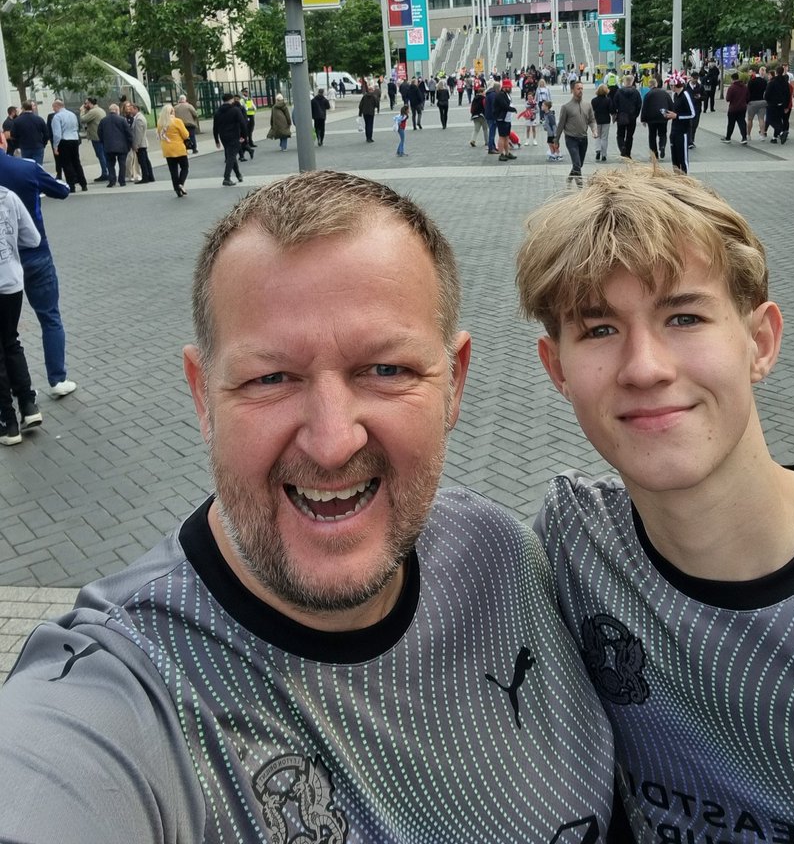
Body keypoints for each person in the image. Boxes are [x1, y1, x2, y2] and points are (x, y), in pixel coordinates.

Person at [0, 171, 616, 841]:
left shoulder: (508, 557)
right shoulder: (127, 687)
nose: (330, 442)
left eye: (387, 370)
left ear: (455, 382)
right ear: (203, 396)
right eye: (271, 378)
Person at [518, 164, 794, 843]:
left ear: (761, 342)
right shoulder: (572, 544)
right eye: (600, 329)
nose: (645, 367)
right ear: (557, 369)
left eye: (685, 317)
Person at [0, 144, 77, 398]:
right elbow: (62, 190)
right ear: (2, 140)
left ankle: (14, 387)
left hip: (3, 263)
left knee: (7, 331)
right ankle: (57, 378)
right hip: (35, 253)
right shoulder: (26, 168)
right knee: (50, 317)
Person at [0, 185, 42, 446]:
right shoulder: (8, 197)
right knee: (11, 341)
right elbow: (33, 238)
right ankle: (28, 404)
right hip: (11, 283)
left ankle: (7, 421)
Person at [557, 81, 597, 186]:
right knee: (577, 163)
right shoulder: (566, 107)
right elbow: (561, 124)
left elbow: (592, 120)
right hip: (571, 139)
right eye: (578, 88)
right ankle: (580, 187)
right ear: (572, 90)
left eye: (582, 88)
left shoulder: (587, 105)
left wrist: (594, 130)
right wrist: (556, 140)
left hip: (583, 138)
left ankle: (571, 177)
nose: (580, 91)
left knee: (580, 164)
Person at [50, 100, 88, 193]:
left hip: (64, 140)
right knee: (76, 162)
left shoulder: (57, 117)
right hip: (74, 139)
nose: (53, 109)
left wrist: (55, 146)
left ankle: (71, 185)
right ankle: (83, 183)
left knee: (66, 164)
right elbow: (77, 126)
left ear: (57, 106)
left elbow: (57, 134)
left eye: (54, 107)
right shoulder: (72, 114)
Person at [157, 101, 190, 197]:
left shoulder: (160, 123)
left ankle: (177, 189)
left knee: (173, 171)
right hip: (178, 148)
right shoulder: (177, 121)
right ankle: (180, 183)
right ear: (172, 112)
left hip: (167, 149)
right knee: (185, 167)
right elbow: (185, 134)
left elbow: (159, 134)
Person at [213, 93, 246, 187]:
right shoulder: (235, 110)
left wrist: (216, 140)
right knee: (231, 157)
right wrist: (244, 136)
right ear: (231, 99)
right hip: (234, 136)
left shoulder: (218, 111)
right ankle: (226, 178)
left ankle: (238, 175)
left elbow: (215, 127)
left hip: (223, 136)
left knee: (230, 155)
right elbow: (242, 123)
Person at [97, 103, 133, 188]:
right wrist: (129, 144)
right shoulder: (122, 120)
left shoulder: (103, 120)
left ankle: (112, 181)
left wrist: (103, 142)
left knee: (110, 164)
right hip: (122, 146)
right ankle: (122, 181)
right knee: (122, 163)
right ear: (117, 110)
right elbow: (128, 133)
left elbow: (99, 133)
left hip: (108, 146)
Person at [664, 76, 695, 172]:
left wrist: (677, 116)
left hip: (683, 131)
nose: (670, 87)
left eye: (671, 85)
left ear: (675, 85)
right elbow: (676, 111)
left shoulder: (685, 95)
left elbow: (692, 113)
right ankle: (676, 176)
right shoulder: (675, 96)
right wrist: (669, 114)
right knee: (675, 156)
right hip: (674, 129)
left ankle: (686, 177)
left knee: (683, 157)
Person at [639, 77, 673, 161]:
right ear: (656, 84)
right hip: (663, 116)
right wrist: (670, 114)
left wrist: (643, 119)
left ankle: (654, 154)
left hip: (651, 118)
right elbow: (671, 104)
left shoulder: (648, 94)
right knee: (663, 134)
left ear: (649, 85)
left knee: (652, 136)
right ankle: (662, 146)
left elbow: (644, 107)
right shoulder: (664, 93)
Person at [8, 100, 49, 165]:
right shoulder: (39, 119)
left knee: (27, 165)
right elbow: (46, 134)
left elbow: (13, 135)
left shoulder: (17, 121)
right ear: (31, 108)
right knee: (38, 166)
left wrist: (18, 144)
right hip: (38, 146)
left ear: (23, 108)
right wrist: (43, 143)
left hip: (25, 147)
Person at [611, 74, 641, 159]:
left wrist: (615, 113)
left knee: (620, 134)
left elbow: (614, 103)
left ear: (624, 82)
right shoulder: (636, 92)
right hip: (632, 117)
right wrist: (636, 114)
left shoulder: (619, 92)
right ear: (632, 82)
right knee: (630, 136)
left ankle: (622, 147)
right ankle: (628, 153)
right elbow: (639, 104)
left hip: (621, 115)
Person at [79, 97, 109, 183]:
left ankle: (105, 173)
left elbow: (83, 119)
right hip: (101, 136)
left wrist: (82, 111)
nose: (85, 105)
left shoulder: (93, 111)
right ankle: (107, 171)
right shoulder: (100, 110)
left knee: (101, 155)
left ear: (90, 103)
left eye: (86, 103)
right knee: (103, 155)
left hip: (96, 137)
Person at [128, 103, 155, 183]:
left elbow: (138, 134)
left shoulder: (139, 119)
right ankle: (150, 176)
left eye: (131, 109)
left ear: (136, 109)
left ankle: (146, 177)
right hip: (142, 143)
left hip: (141, 144)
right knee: (146, 160)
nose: (130, 111)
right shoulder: (139, 117)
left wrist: (136, 145)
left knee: (142, 161)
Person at [765, 64, 791, 145]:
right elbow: (788, 94)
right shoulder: (785, 82)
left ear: (776, 72)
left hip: (772, 104)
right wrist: (786, 105)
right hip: (782, 104)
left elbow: (767, 95)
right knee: (779, 120)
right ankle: (774, 138)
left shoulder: (772, 82)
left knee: (770, 119)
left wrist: (768, 101)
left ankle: (781, 133)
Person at [722, 70, 749, 143]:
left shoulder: (732, 88)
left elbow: (728, 99)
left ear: (732, 79)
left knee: (731, 124)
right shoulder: (745, 87)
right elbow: (747, 97)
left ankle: (728, 138)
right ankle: (744, 137)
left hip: (733, 108)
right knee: (742, 122)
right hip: (742, 107)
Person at [492, 80, 516, 163]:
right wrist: (513, 109)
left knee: (507, 136)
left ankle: (507, 152)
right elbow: (504, 106)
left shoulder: (507, 94)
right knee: (502, 137)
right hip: (501, 118)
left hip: (507, 118)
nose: (510, 88)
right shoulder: (500, 95)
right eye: (509, 87)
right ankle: (501, 154)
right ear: (505, 87)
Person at [591, 84, 613, 163]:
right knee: (604, 138)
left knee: (597, 136)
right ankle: (604, 155)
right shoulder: (608, 100)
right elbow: (611, 111)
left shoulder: (594, 100)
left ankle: (598, 150)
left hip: (597, 120)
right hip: (606, 120)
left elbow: (592, 111)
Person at [745, 66, 768, 140]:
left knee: (749, 120)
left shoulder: (751, 82)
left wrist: (747, 102)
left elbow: (747, 92)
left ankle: (748, 135)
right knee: (761, 119)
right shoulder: (764, 81)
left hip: (752, 102)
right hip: (762, 101)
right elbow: (766, 92)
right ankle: (762, 135)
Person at [238, 89, 256, 157]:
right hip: (246, 116)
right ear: (242, 92)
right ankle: (247, 144)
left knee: (251, 129)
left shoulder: (249, 99)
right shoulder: (242, 100)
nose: (247, 93)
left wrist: (252, 108)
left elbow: (254, 107)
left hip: (251, 115)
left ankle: (250, 142)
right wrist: (250, 109)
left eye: (247, 92)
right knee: (246, 130)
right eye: (245, 92)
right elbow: (245, 108)